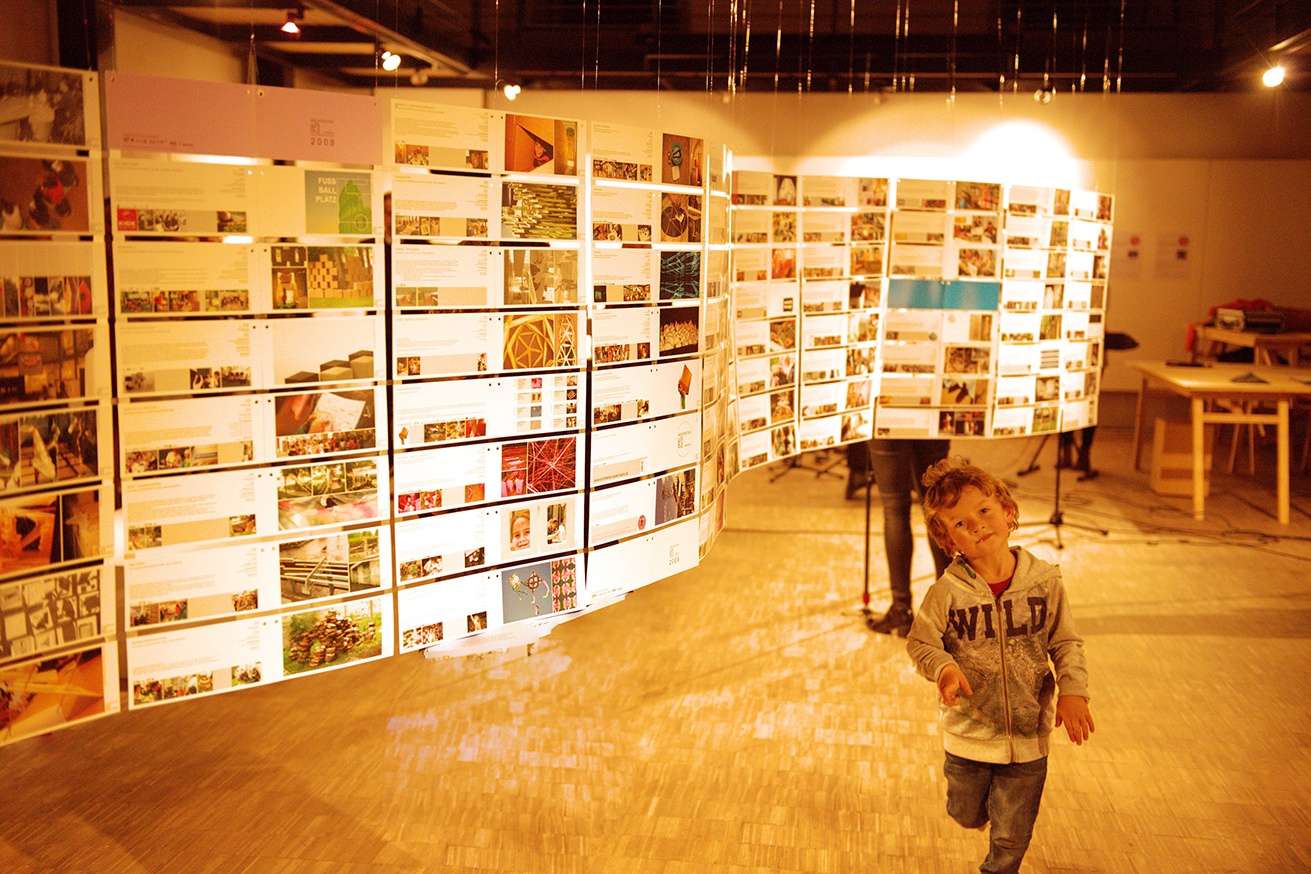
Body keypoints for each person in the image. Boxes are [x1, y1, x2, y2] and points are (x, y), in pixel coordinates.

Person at [906, 457, 1093, 874]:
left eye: (984, 511)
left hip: (1028, 737)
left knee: (1012, 834)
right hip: (968, 734)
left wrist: (1074, 690)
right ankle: (982, 808)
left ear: (1008, 512)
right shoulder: (946, 593)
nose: (976, 525)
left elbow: (1065, 642)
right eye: (960, 523)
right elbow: (920, 642)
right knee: (965, 813)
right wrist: (944, 668)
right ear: (948, 540)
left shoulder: (1045, 581)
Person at [864, 437, 952, 634]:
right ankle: (946, 609)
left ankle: (901, 608)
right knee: (935, 505)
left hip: (888, 422)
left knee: (895, 508)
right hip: (930, 420)